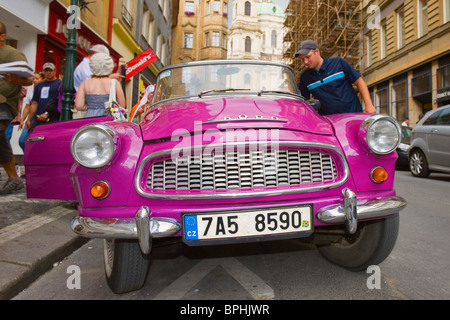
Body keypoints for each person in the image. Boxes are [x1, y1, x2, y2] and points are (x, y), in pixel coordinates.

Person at [295, 40, 376, 115]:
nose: (305, 62)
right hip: (329, 124)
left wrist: (369, 105)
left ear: (317, 52)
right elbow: (306, 102)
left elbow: (359, 82)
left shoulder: (339, 63)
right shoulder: (305, 77)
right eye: (302, 59)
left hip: (353, 116)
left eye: (308, 57)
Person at [0, 22, 33, 195]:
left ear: (2, 36)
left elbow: (29, 80)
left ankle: (14, 177)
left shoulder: (12, 54)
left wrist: (15, 81)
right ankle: (13, 178)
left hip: (4, 104)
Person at [74, 52, 125, 118]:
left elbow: (79, 106)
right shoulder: (114, 83)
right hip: (108, 119)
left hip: (90, 117)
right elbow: (122, 106)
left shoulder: (84, 84)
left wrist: (90, 107)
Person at [26, 62, 62, 133]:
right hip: (38, 118)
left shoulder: (60, 83)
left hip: (53, 118)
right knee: (26, 140)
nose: (48, 72)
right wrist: (29, 119)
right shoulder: (39, 85)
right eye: (46, 70)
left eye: (50, 70)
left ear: (55, 71)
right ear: (43, 72)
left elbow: (60, 102)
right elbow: (34, 103)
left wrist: (47, 113)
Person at [18, 71, 44, 151]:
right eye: (33, 78)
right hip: (30, 120)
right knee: (22, 140)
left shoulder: (44, 91)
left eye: (37, 78)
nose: (34, 80)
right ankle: (28, 156)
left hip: (42, 120)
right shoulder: (30, 93)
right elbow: (27, 107)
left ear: (42, 80)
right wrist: (22, 120)